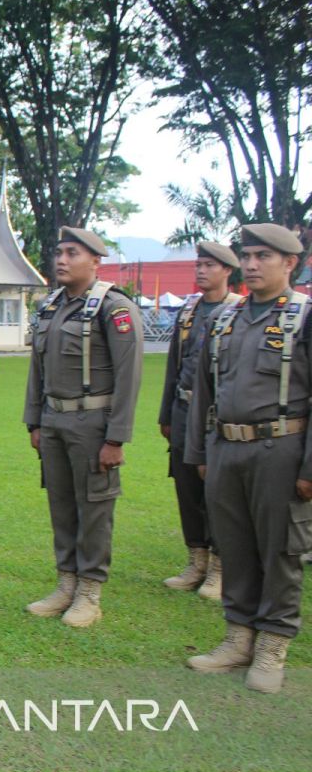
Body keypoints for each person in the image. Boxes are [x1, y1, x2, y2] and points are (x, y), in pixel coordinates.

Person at [185, 224, 312, 693]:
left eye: (264, 256)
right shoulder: (227, 318)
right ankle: (238, 637)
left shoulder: (304, 316)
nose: (253, 264)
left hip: (280, 448)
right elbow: (204, 389)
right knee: (234, 546)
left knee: (279, 550)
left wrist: (309, 467)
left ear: (290, 263)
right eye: (249, 256)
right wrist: (200, 451)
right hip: (225, 447)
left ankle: (273, 646)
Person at [23, 227, 143, 628]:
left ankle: (90, 593)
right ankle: (66, 583)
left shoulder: (114, 307)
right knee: (61, 505)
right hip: (55, 420)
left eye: (72, 253)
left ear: (95, 261)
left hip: (93, 423)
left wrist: (116, 438)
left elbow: (129, 376)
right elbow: (37, 370)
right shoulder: (51, 306)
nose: (61, 260)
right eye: (58, 252)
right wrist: (34, 421)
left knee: (93, 510)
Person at [158, 242, 240, 599]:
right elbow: (174, 366)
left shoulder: (237, 310)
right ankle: (197, 560)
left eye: (209, 265)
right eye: (199, 264)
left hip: (217, 415)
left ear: (227, 271)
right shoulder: (189, 310)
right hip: (183, 409)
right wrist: (166, 414)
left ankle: (221, 568)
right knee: (187, 488)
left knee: (218, 493)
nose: (201, 271)